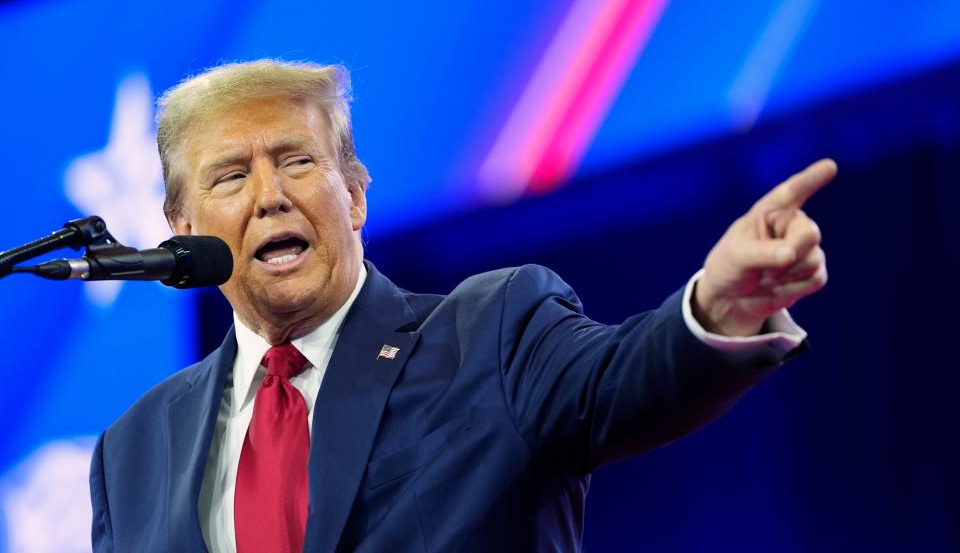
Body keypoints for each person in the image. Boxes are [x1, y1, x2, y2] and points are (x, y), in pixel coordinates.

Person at [89, 59, 835, 552]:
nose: (269, 195)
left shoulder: (493, 330)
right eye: (229, 177)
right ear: (182, 230)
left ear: (353, 194)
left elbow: (627, 378)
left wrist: (717, 308)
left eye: (295, 160)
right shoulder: (133, 451)